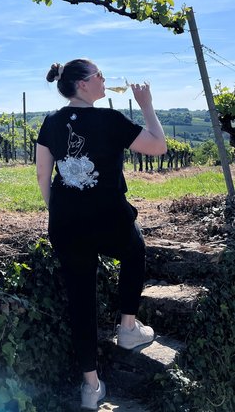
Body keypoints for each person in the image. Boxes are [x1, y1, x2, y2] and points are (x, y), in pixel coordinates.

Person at [36, 59, 167, 410]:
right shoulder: (110, 119)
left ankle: (90, 388)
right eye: (99, 76)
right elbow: (158, 146)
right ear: (82, 84)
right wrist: (147, 106)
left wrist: (61, 212)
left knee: (81, 300)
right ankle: (128, 328)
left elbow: (42, 177)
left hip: (66, 223)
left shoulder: (50, 121)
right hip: (109, 218)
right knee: (134, 249)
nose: (104, 80)